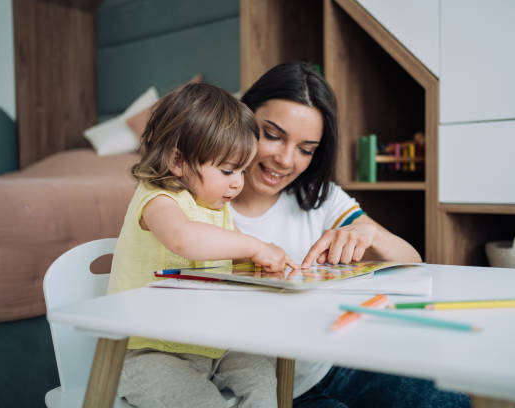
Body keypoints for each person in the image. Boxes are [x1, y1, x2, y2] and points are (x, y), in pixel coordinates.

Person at [231, 62, 470, 407]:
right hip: (263, 389)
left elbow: (411, 260)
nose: (285, 160)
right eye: (272, 135)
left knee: (448, 403)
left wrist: (368, 234)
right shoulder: (203, 205)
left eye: (306, 149)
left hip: (333, 365)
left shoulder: (320, 198)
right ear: (242, 117)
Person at [108, 82, 297, 408]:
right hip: (149, 352)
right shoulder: (158, 199)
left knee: (264, 377)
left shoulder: (218, 209)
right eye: (227, 170)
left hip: (211, 344)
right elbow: (183, 239)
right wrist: (253, 245)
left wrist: (262, 270)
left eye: (242, 169)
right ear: (178, 161)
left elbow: (232, 261)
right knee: (202, 402)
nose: (238, 182)